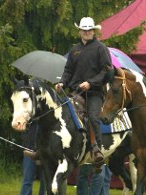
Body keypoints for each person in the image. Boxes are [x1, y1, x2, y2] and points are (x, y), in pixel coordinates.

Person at [55, 17, 112, 169]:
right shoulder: (74, 50)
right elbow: (68, 71)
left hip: (94, 93)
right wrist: (62, 83)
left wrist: (91, 83)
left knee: (93, 116)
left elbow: (107, 70)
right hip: (75, 92)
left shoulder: (101, 48)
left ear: (94, 31)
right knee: (61, 114)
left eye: (89, 30)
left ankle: (96, 149)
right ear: (79, 31)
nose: (86, 32)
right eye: (84, 30)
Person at [19, 122, 45, 195]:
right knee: (27, 179)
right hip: (29, 148)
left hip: (44, 151)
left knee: (45, 180)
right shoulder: (27, 116)